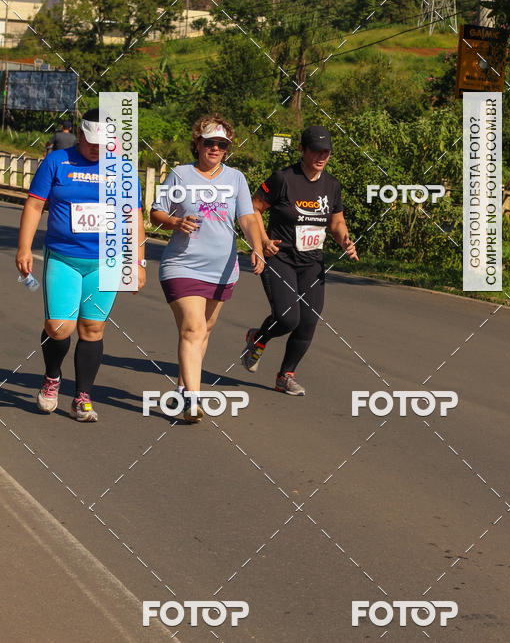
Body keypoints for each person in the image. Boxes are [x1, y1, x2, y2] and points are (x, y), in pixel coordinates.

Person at [15, 108, 146, 422]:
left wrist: (138, 262)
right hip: (63, 257)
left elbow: (134, 218)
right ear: (81, 134)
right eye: (91, 140)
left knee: (92, 329)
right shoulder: (57, 161)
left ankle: (82, 397)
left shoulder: (123, 169)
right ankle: (52, 378)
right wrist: (24, 247)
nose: (95, 147)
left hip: (106, 261)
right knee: (59, 328)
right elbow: (34, 205)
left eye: (103, 143)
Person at [150, 115, 264, 423]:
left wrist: (256, 244)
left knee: (202, 332)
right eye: (209, 142)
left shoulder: (236, 179)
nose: (215, 148)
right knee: (193, 328)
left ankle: (182, 387)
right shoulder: (181, 174)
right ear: (197, 143)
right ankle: (192, 399)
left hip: (222, 269)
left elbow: (248, 218)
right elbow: (156, 212)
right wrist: (174, 221)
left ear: (227, 148)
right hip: (181, 265)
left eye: (222, 144)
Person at [240, 125, 358, 396]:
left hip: (312, 263)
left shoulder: (331, 185)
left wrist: (344, 240)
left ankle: (286, 375)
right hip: (280, 257)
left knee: (308, 321)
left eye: (326, 151)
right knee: (287, 318)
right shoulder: (283, 179)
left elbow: (336, 220)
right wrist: (263, 241)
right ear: (302, 150)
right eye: (315, 150)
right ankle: (257, 339)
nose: (321, 156)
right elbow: (254, 208)